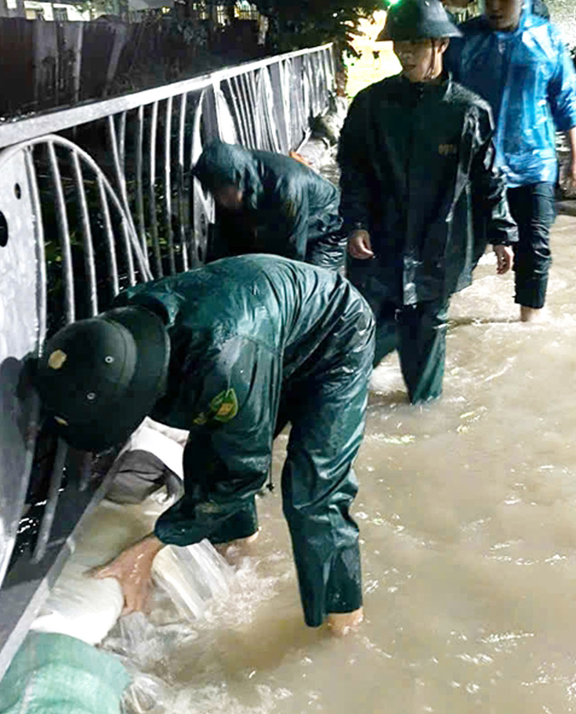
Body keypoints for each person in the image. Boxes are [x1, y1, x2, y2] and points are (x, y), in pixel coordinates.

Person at [32, 255, 375, 636]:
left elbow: (243, 471)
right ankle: (240, 548)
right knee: (212, 449)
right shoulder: (118, 334)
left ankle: (342, 623)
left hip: (336, 333)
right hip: (257, 328)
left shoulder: (221, 366)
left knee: (313, 492)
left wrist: (152, 546)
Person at [338, 0, 517, 404]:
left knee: (427, 326)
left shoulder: (469, 111)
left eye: (415, 43)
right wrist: (356, 222)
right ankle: (337, 402)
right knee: (364, 326)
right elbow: (353, 169)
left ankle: (423, 410)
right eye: (399, 43)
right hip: (379, 241)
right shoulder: (371, 105)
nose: (404, 52)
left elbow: (489, 176)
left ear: (441, 44)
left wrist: (503, 234)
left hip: (441, 243)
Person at [445, 0, 576, 322]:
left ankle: (529, 324)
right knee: (461, 245)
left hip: (534, 159)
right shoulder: (463, 41)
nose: (494, 6)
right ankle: (435, 319)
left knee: (535, 247)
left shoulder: (546, 38)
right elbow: (441, 96)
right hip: (477, 163)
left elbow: (566, 96)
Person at [192, 140, 345, 270]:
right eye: (214, 193)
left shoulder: (287, 187)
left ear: (237, 180)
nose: (221, 200)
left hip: (327, 228)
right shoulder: (233, 175)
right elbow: (228, 239)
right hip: (285, 221)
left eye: (223, 192)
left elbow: (292, 253)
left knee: (312, 283)